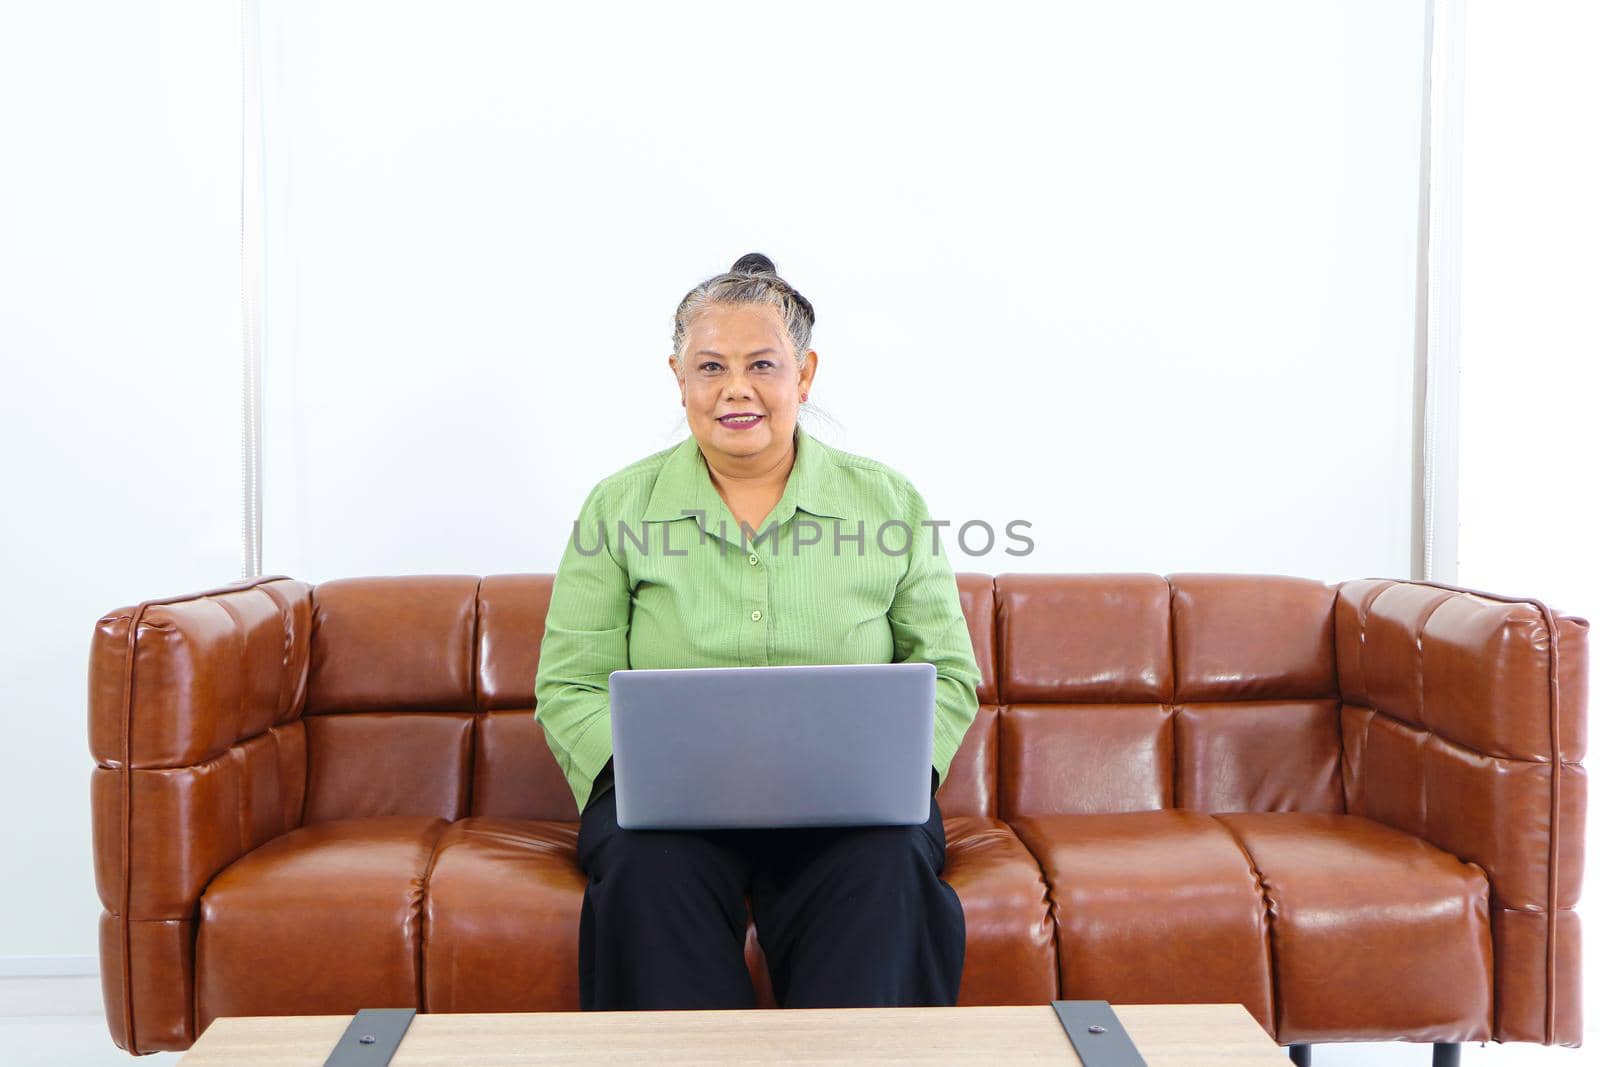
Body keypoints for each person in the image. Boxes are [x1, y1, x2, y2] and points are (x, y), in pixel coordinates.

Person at [533, 252, 981, 1011]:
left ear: (803, 375)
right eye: (710, 366)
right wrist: (643, 770)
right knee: (644, 875)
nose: (734, 388)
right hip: (664, 812)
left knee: (888, 866)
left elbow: (948, 670)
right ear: (678, 377)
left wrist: (896, 771)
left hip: (853, 806)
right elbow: (568, 683)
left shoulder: (889, 502)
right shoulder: (617, 508)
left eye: (761, 365)